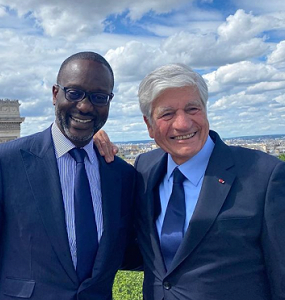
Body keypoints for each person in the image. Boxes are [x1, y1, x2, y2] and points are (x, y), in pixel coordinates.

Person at [0, 52, 138, 300]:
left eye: (99, 97)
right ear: (55, 94)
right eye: (74, 93)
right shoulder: (4, 163)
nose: (85, 106)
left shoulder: (122, 175)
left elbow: (127, 251)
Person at [94, 63, 285, 300]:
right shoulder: (144, 168)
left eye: (192, 108)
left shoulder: (264, 175)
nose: (183, 124)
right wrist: (88, 145)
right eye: (167, 114)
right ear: (149, 126)